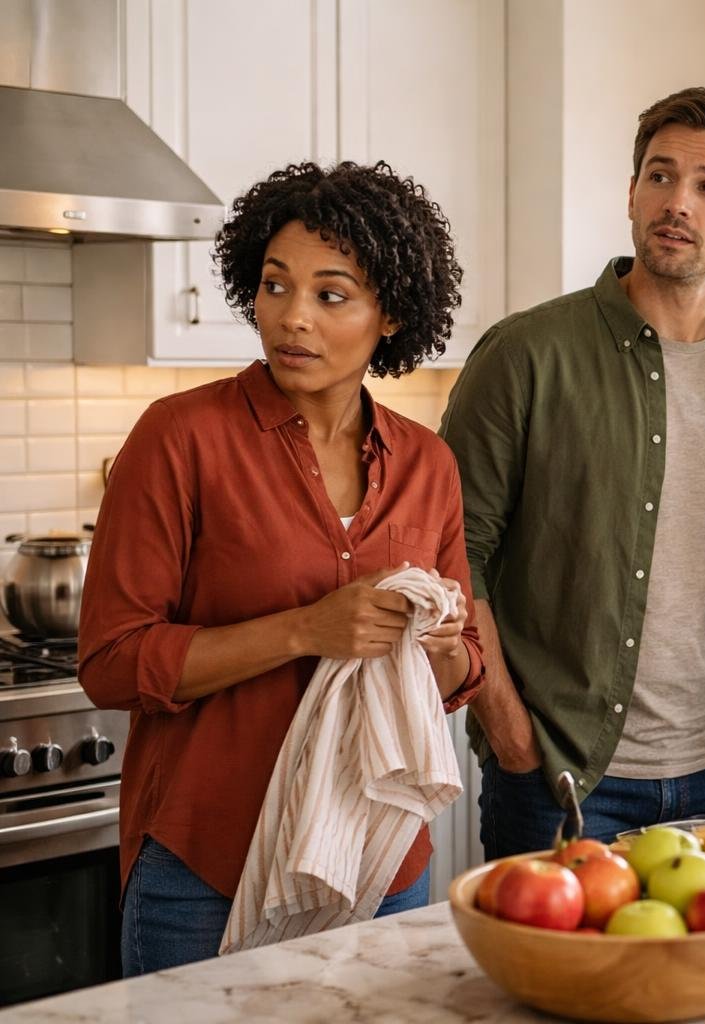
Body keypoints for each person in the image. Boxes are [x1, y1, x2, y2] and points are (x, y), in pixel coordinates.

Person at [78, 161, 485, 974]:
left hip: (381, 862)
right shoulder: (178, 438)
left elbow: (463, 663)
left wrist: (439, 651)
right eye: (275, 286)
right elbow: (113, 662)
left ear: (391, 313)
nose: (293, 318)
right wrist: (307, 630)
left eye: (331, 295)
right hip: (207, 866)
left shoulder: (427, 464)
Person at [439, 86, 705, 856]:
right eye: (660, 175)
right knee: (548, 982)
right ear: (632, 193)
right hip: (562, 778)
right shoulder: (526, 356)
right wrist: (509, 732)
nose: (677, 201)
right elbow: (452, 559)